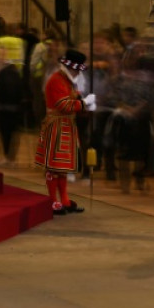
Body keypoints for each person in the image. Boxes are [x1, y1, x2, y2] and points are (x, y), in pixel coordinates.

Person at [34, 49, 95, 215]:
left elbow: (73, 98)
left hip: (67, 126)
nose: (77, 73)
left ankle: (65, 200)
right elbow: (64, 105)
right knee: (53, 167)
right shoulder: (56, 80)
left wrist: (85, 103)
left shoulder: (67, 81)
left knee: (62, 168)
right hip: (56, 126)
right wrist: (83, 103)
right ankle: (53, 201)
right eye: (76, 69)